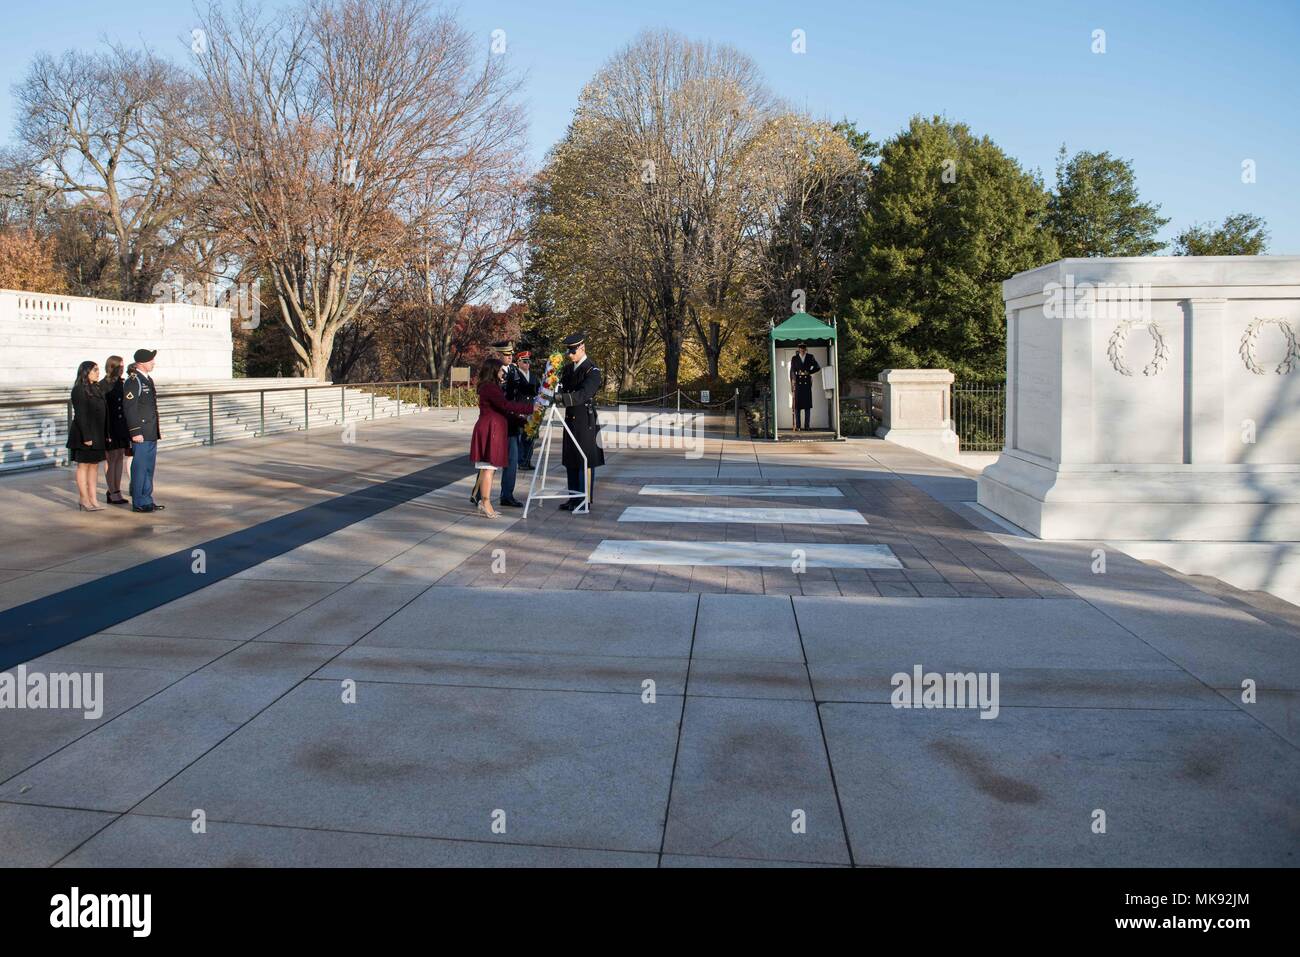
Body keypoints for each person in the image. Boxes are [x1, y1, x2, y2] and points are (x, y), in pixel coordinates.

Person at [468, 355, 538, 518]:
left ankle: (484, 502)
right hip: (489, 430)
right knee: (488, 469)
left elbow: (503, 411)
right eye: (500, 370)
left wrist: (522, 422)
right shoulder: (490, 388)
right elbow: (505, 405)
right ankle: (485, 502)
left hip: (492, 428)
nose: (502, 373)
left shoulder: (491, 386)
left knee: (489, 469)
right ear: (493, 371)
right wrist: (530, 408)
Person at [555, 332, 604, 511]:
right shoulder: (569, 369)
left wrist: (561, 398)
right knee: (571, 460)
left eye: (573, 351)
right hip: (570, 419)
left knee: (585, 461)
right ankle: (573, 497)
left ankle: (585, 499)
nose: (570, 355)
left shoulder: (592, 370)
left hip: (585, 421)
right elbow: (561, 386)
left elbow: (584, 394)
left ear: (582, 348)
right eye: (568, 352)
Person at [123, 348, 165, 513]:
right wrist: (135, 431)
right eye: (151, 360)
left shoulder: (147, 379)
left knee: (148, 467)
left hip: (150, 431)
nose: (153, 363)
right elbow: (130, 408)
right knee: (139, 468)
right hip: (141, 432)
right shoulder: (134, 381)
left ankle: (147, 499)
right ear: (142, 362)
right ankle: (139, 501)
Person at [494, 340, 534, 509]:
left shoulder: (514, 371)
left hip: (511, 423)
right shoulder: (493, 372)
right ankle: (479, 494)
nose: (510, 358)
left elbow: (527, 390)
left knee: (511, 461)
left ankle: (507, 495)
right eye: (506, 355)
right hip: (497, 422)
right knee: (489, 462)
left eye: (511, 355)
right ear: (498, 355)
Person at [66, 360, 108, 511]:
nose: (98, 372)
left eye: (98, 369)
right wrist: (87, 437)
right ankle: (84, 499)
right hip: (84, 434)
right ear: (86, 372)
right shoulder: (79, 390)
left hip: (98, 433)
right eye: (94, 370)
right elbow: (81, 415)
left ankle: (93, 498)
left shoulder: (96, 388)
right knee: (83, 466)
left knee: (94, 466)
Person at [101, 355, 132, 505]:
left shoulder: (122, 383)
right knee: (111, 459)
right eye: (119, 367)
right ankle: (111, 490)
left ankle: (117, 490)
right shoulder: (103, 385)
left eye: (123, 366)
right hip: (110, 426)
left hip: (121, 425)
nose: (122, 369)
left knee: (119, 457)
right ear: (111, 367)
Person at [789, 340, 821, 431]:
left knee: (807, 406)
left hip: (807, 383)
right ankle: (798, 426)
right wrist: (793, 380)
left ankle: (807, 426)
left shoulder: (810, 357)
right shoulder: (794, 358)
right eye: (801, 348)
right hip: (798, 383)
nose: (802, 350)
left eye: (803, 348)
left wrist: (809, 372)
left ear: (806, 349)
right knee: (797, 406)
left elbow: (817, 367)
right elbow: (792, 370)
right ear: (798, 349)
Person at [516, 350, 539, 470]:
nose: (527, 364)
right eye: (525, 361)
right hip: (520, 410)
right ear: (518, 362)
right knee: (520, 437)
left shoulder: (534, 376)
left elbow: (538, 392)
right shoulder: (515, 375)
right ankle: (521, 461)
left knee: (530, 436)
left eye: (528, 361)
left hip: (532, 410)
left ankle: (527, 460)